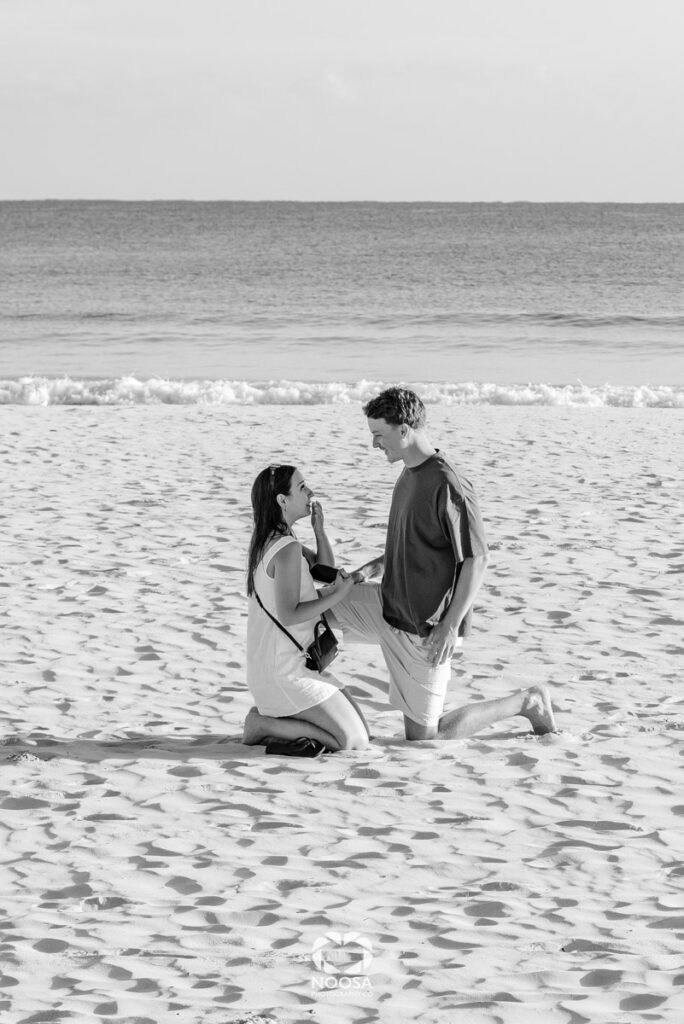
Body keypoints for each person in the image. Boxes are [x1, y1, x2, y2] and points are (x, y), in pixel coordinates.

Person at [329, 386, 557, 741]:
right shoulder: (407, 474)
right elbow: (412, 544)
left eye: (379, 435)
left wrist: (449, 626)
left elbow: (476, 558)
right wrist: (369, 571)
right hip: (387, 607)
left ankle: (526, 702)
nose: (374, 444)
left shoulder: (448, 483)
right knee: (313, 610)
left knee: (425, 739)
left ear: (404, 430)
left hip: (426, 627)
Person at [242, 464, 369, 752]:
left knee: (362, 732)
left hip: (289, 665)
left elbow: (324, 570)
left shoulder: (276, 542)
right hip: (284, 672)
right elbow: (290, 613)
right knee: (353, 741)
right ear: (282, 500)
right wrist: (340, 593)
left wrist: (320, 532)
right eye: (301, 487)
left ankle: (273, 722)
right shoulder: (285, 549)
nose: (310, 492)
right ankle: (263, 725)